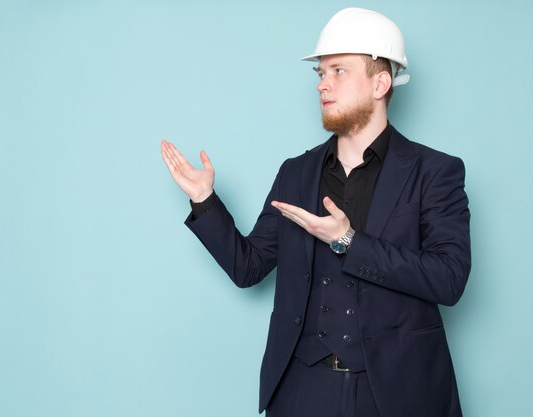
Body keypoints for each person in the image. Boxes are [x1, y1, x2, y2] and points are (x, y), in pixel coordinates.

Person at [160, 7, 471, 417]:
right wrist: (204, 199)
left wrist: (349, 242)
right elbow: (248, 267)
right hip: (301, 392)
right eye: (320, 74)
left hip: (396, 393)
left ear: (381, 83)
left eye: (338, 71)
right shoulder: (296, 173)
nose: (323, 85)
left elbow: (448, 280)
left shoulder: (435, 172)